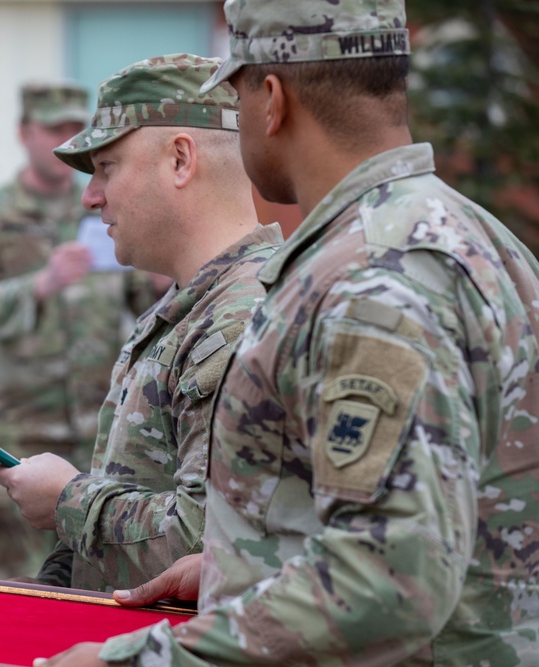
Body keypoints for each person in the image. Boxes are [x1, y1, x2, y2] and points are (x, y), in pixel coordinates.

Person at [39, 1, 539, 665]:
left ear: (270, 99)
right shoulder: (472, 235)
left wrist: (137, 659)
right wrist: (240, 570)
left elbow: (386, 579)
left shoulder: (375, 277)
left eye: (235, 92)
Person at [0, 54, 283, 593]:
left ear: (180, 160)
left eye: (107, 168)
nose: (89, 195)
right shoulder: (188, 305)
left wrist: (68, 500)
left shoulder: (243, 318)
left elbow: (215, 550)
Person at [0, 81, 164, 578]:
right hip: (23, 426)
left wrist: (157, 281)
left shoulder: (105, 207)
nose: (64, 138)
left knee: (95, 577)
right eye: (53, 128)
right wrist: (40, 285)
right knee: (23, 582)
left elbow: (141, 302)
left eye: (74, 128)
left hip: (97, 432)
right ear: (25, 132)